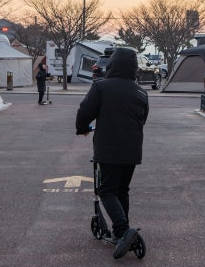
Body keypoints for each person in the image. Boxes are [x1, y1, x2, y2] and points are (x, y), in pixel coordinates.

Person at [75, 47, 149, 259]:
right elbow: (143, 119)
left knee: (106, 190)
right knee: (122, 190)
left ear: (112, 65)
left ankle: (124, 230)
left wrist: (82, 129)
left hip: (108, 148)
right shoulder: (141, 92)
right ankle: (121, 233)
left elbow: (85, 111)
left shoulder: (101, 87)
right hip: (133, 149)